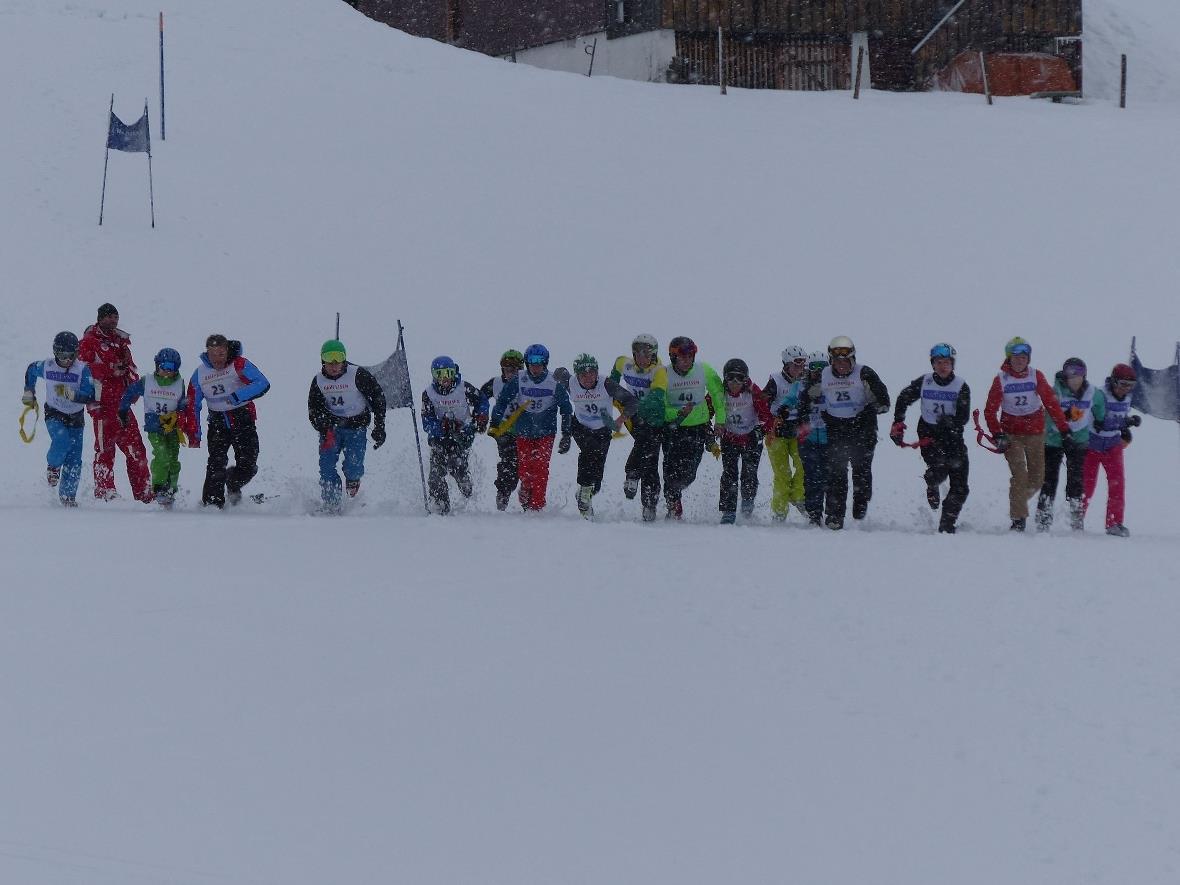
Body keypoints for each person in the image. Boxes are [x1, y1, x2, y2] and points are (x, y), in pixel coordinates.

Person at [800, 336, 889, 530]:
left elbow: (883, 400)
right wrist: (804, 411)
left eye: (845, 361)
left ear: (853, 360)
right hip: (836, 427)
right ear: (831, 360)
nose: (842, 366)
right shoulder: (824, 375)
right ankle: (834, 515)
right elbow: (806, 396)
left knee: (861, 470)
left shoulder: (863, 373)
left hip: (862, 427)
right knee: (836, 473)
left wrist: (875, 401)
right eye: (837, 361)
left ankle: (861, 500)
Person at [982, 336, 1070, 532]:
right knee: (1020, 475)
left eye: (1024, 356)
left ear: (1028, 358)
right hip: (1011, 435)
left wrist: (1064, 428)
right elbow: (989, 410)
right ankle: (1018, 519)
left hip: (1035, 433)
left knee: (1038, 478)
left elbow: (1051, 403)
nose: (1020, 360)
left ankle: (1018, 500)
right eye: (1015, 356)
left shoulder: (1036, 376)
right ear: (1008, 358)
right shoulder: (1001, 380)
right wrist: (997, 434)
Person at [890, 343, 971, 534]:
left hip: (953, 439)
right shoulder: (925, 382)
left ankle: (947, 524)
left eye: (947, 362)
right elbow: (903, 398)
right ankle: (932, 482)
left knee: (961, 487)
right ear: (933, 364)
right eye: (939, 362)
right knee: (940, 469)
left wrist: (950, 421)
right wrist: (898, 423)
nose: (943, 366)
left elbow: (964, 416)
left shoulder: (961, 386)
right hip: (929, 436)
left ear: (953, 364)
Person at [185, 334, 271, 508]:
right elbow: (192, 404)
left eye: (221, 354)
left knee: (248, 464)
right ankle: (212, 504)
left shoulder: (239, 364)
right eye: (213, 354)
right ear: (206, 354)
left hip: (243, 420)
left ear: (227, 351)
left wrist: (239, 395)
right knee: (216, 462)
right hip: (217, 424)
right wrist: (195, 433)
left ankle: (233, 482)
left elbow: (262, 383)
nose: (217, 359)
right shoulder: (200, 374)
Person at [77, 303, 152, 502]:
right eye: (109, 317)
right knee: (105, 450)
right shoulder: (88, 342)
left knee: (137, 450)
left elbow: (131, 368)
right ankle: (105, 492)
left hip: (122, 406)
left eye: (115, 317)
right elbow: (82, 371)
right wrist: (110, 368)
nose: (113, 320)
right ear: (99, 318)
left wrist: (134, 384)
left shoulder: (121, 341)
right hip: (101, 405)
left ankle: (144, 493)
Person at [645, 336, 725, 520]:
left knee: (688, 474)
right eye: (683, 357)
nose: (687, 361)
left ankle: (675, 492)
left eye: (690, 356)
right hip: (673, 428)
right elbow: (659, 406)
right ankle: (673, 503)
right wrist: (678, 412)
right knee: (670, 468)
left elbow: (718, 395)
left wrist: (720, 420)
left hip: (698, 427)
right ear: (673, 357)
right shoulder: (663, 374)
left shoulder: (704, 370)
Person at [489, 343, 572, 512]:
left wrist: (566, 434)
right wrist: (495, 423)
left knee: (541, 467)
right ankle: (526, 490)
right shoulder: (519, 380)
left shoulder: (553, 382)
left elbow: (566, 408)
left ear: (545, 363)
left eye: (539, 363)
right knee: (525, 468)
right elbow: (503, 400)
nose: (535, 367)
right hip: (524, 431)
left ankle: (537, 505)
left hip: (546, 432)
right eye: (532, 362)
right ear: (527, 363)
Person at [307, 339, 387, 512]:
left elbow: (378, 397)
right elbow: (313, 410)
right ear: (322, 360)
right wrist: (323, 425)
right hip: (331, 430)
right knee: (326, 466)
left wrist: (379, 426)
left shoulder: (357, 375)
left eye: (339, 358)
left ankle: (353, 479)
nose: (334, 365)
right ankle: (332, 504)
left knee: (354, 465)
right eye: (329, 359)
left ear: (345, 359)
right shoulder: (319, 381)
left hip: (356, 428)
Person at [22, 331, 96, 507]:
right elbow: (32, 369)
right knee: (61, 441)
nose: (66, 360)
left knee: (74, 458)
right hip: (55, 413)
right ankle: (53, 467)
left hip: (76, 417)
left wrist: (75, 395)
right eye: (62, 356)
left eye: (71, 356)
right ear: (55, 352)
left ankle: (68, 496)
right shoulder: (47, 366)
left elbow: (91, 394)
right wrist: (29, 390)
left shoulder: (82, 369)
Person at [117, 347, 192, 507]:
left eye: (171, 368)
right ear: (157, 365)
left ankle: (171, 489)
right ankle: (159, 488)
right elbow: (129, 393)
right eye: (163, 366)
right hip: (154, 427)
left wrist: (181, 412)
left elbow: (182, 404)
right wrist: (122, 410)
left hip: (172, 428)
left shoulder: (179, 383)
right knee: (161, 455)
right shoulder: (147, 381)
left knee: (173, 460)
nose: (166, 371)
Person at [567, 353, 638, 519]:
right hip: (580, 426)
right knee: (589, 451)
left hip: (602, 430)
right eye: (583, 374)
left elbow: (632, 401)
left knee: (596, 480)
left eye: (592, 373)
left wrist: (622, 418)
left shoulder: (606, 384)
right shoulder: (569, 382)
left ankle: (585, 492)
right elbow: (558, 373)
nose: (588, 378)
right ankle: (584, 495)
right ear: (577, 375)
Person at [1036, 357, 1097, 532]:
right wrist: (1063, 429)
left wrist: (1100, 419)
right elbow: (1049, 417)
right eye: (1071, 374)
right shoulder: (1055, 392)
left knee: (1076, 479)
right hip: (1054, 440)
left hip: (1078, 441)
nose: (1075, 378)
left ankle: (1076, 517)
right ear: (1064, 375)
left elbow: (1100, 405)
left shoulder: (1091, 392)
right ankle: (1043, 517)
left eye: (1079, 374)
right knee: (1049, 479)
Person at [421, 355, 488, 515]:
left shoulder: (464, 388)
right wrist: (441, 426)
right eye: (440, 374)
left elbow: (482, 401)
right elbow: (427, 422)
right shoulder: (429, 394)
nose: (445, 378)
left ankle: (463, 479)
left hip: (462, 435)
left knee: (455, 463)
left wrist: (481, 415)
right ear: (434, 375)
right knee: (436, 474)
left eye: (448, 373)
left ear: (454, 373)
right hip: (439, 438)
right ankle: (440, 504)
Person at [1081, 363, 1141, 537]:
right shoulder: (1100, 396)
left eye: (1131, 386)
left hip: (1113, 446)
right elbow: (1100, 424)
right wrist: (1125, 423)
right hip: (1092, 444)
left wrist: (1126, 427)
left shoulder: (1127, 398)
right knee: (1087, 484)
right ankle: (1077, 517)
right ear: (1113, 382)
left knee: (1117, 483)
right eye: (1123, 384)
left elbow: (1119, 420)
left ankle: (1114, 522)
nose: (1126, 389)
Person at [609, 333, 664, 521]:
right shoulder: (624, 363)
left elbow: (657, 398)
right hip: (632, 417)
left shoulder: (659, 371)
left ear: (654, 355)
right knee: (647, 449)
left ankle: (646, 498)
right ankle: (635, 479)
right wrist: (618, 401)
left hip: (654, 417)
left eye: (647, 354)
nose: (642, 358)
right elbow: (611, 383)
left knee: (650, 458)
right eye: (638, 354)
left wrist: (633, 407)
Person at [717, 358, 773, 524]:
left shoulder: (753, 393)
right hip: (730, 438)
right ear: (725, 379)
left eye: (740, 378)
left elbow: (767, 416)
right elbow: (708, 408)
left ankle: (748, 500)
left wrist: (760, 431)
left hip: (750, 438)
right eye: (731, 378)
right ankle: (728, 510)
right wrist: (709, 428)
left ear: (746, 379)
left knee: (749, 472)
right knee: (729, 474)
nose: (735, 382)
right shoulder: (720, 393)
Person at [762, 345, 809, 521]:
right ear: (786, 365)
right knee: (782, 473)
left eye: (802, 365)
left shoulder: (806, 382)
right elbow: (763, 403)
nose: (800, 369)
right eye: (796, 365)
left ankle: (798, 496)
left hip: (797, 431)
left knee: (804, 465)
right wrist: (766, 425)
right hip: (777, 432)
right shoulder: (776, 381)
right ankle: (780, 511)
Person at [480, 349, 524, 511]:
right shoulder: (496, 383)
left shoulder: (528, 382)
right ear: (502, 370)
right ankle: (503, 492)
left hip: (525, 430)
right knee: (510, 461)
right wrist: (481, 416)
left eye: (515, 369)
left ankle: (528, 494)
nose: (511, 373)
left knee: (525, 465)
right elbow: (480, 398)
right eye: (508, 369)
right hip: (504, 429)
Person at [798, 351, 829, 526]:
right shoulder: (801, 386)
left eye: (823, 367)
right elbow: (790, 402)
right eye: (814, 367)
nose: (818, 371)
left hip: (830, 438)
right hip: (808, 439)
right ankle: (814, 513)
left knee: (830, 476)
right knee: (812, 476)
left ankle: (833, 513)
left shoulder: (834, 385)